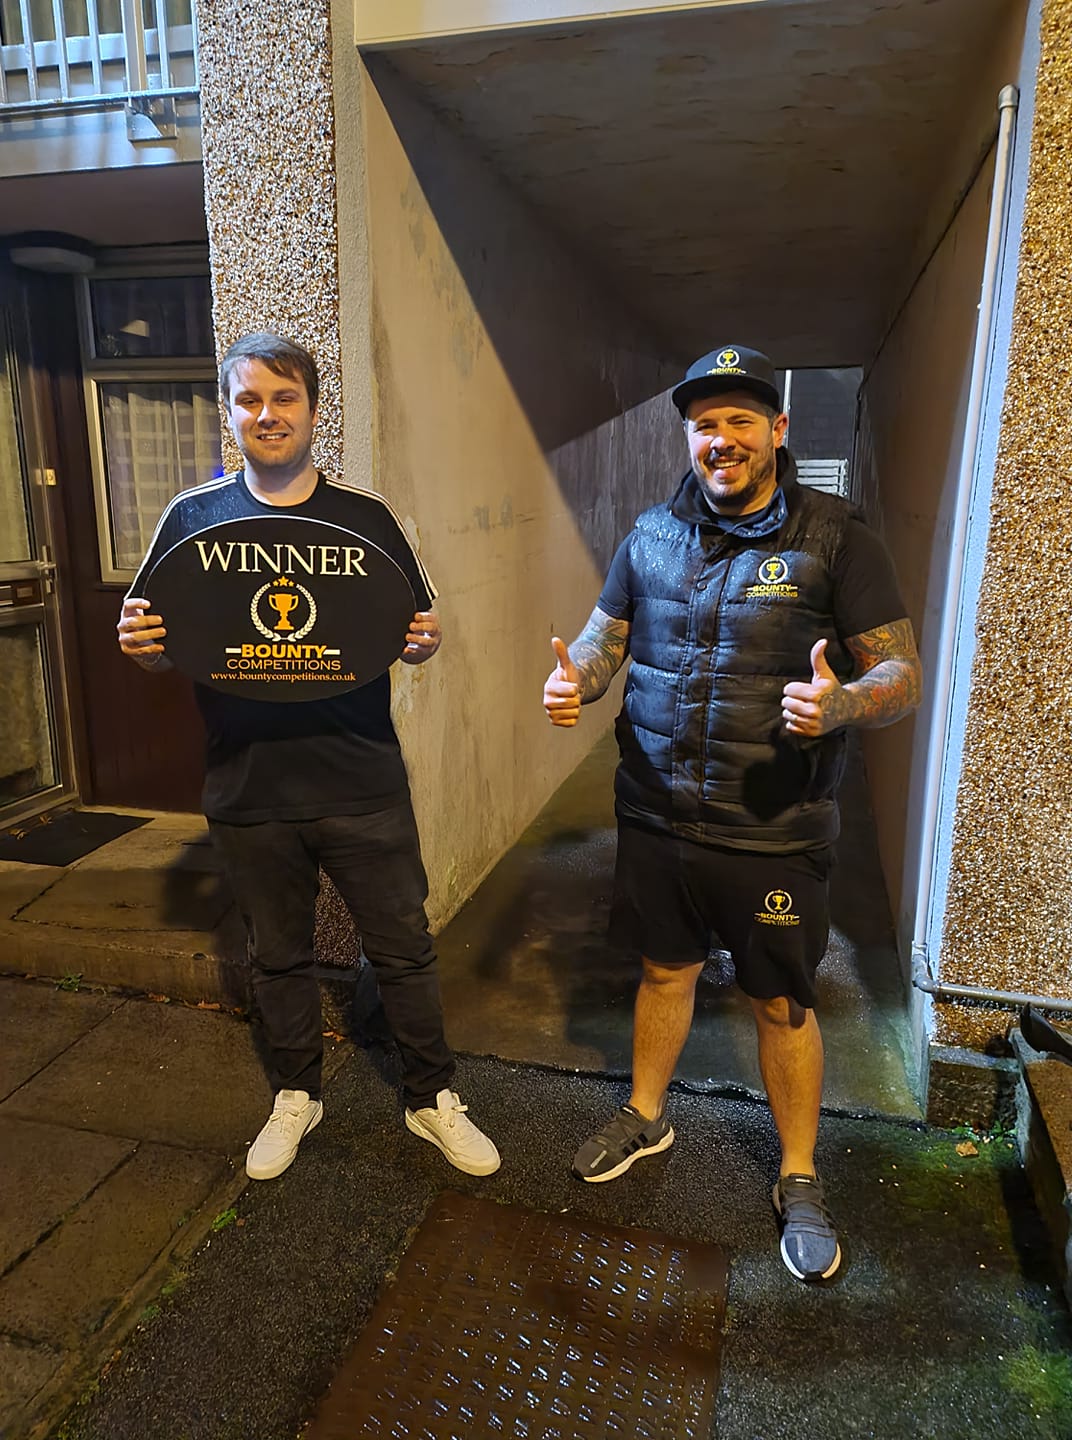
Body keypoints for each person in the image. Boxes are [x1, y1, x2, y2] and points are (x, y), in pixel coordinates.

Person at [542, 345, 921, 1281]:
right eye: (705, 424)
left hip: (773, 830)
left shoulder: (836, 538)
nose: (722, 439)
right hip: (658, 814)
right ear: (690, 436)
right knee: (662, 970)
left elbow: (901, 673)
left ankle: (799, 1176)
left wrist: (842, 703)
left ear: (777, 429)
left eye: (740, 421)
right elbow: (604, 640)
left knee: (782, 1004)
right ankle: (646, 1116)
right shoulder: (649, 536)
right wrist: (575, 680)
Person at [117, 331, 499, 1183]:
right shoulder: (190, 519)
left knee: (402, 949)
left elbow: (416, 628)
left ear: (314, 410)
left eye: (284, 398)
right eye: (249, 399)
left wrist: (427, 643)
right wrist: (140, 649)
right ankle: (297, 1093)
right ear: (229, 413)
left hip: (362, 779)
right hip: (248, 783)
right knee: (278, 954)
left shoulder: (366, 518)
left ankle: (431, 1096)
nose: (267, 414)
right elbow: (157, 642)